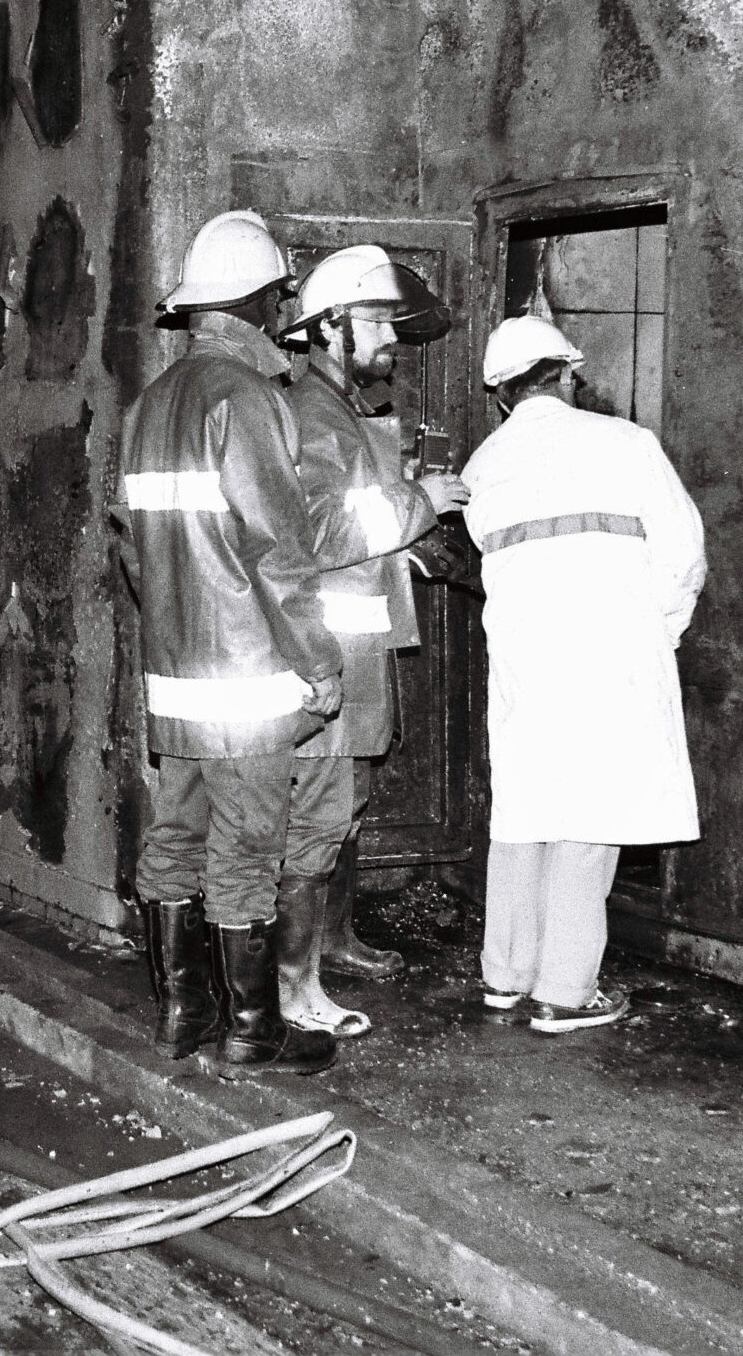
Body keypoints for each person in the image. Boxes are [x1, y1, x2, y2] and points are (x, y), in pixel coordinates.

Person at [116, 211, 346, 1079]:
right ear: (256, 302)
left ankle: (184, 1014)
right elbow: (280, 556)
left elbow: (138, 551)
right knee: (249, 847)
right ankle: (254, 1028)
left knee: (174, 838)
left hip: (177, 681)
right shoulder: (243, 399)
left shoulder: (150, 406)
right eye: (277, 297)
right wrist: (318, 664)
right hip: (248, 683)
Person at [460, 314, 705, 1034]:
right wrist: (658, 628)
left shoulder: (481, 466)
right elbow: (683, 552)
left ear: (502, 395)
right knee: (588, 817)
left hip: (524, 661)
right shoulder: (627, 444)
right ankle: (565, 992)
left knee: (524, 810)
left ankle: (505, 976)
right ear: (567, 374)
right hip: (609, 656)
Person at [279, 247, 469, 1035]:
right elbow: (323, 532)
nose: (390, 336)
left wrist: (414, 538)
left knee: (347, 804)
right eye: (376, 321)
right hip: (331, 651)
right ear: (329, 327)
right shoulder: (315, 415)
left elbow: (361, 524)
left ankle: (331, 941)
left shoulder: (344, 412)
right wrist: (417, 500)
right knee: (320, 816)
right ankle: (294, 990)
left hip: (361, 646)